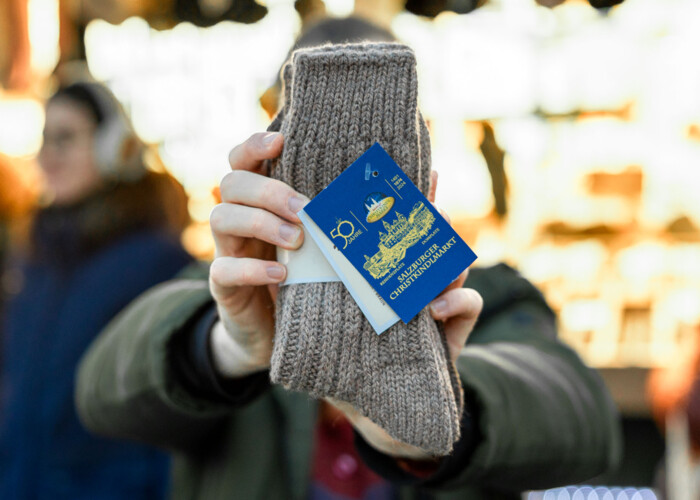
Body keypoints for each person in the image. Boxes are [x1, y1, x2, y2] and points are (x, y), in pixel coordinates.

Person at [75, 114, 623, 497]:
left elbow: (586, 422)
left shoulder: (480, 293)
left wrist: (435, 407)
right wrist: (227, 347)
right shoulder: (237, 283)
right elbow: (100, 392)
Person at [0, 81, 193, 499]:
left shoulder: (158, 260)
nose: (47, 155)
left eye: (65, 138)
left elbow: (173, 407)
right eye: (45, 139)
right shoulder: (33, 256)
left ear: (115, 148)